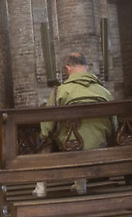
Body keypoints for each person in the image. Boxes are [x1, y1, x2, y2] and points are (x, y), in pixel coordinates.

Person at [33, 52, 114, 200]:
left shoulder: (60, 91)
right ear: (87, 67)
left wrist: (44, 136)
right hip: (99, 143)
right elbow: (114, 123)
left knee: (45, 138)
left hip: (69, 144)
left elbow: (47, 124)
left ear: (68, 69)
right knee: (85, 133)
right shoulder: (104, 91)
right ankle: (80, 184)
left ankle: (41, 186)